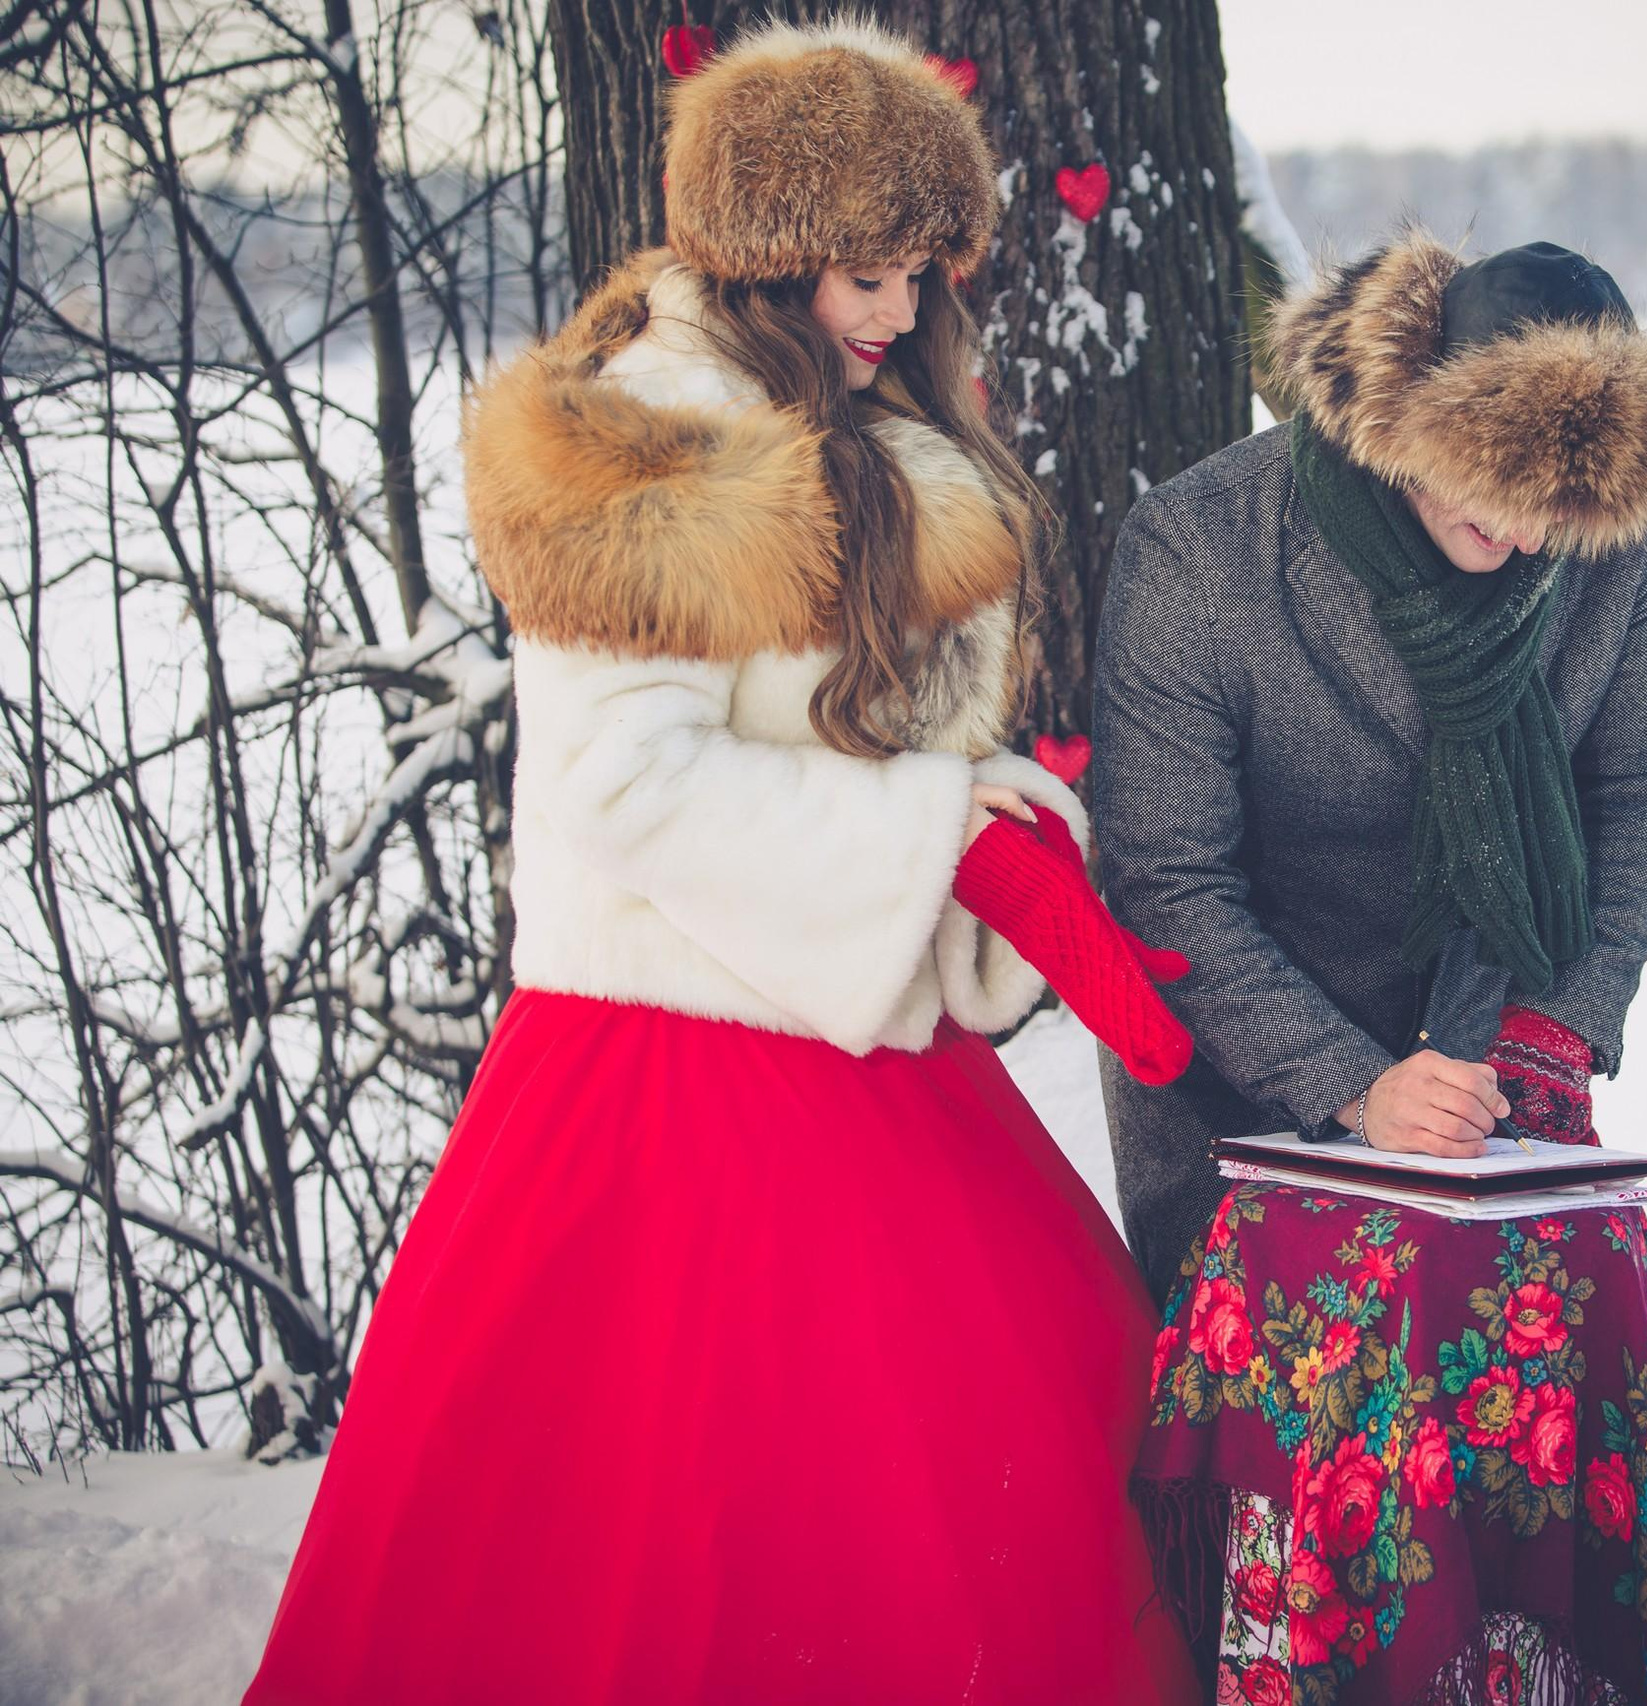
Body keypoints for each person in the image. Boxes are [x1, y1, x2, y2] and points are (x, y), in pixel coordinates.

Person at [247, 19, 1193, 1703]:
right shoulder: (659, 437)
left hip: (845, 1028)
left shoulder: (853, 420)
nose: (900, 314)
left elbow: (851, 745)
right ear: (764, 257)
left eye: (919, 270)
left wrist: (983, 828)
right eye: (863, 273)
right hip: (665, 1077)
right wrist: (924, 835)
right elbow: (622, 781)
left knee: (1012, 1411)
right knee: (689, 1527)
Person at [1094, 231, 1647, 1303]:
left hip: (1494, 1072)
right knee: (1280, 1445)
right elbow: (1165, 875)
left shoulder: (1605, 536)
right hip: (1249, 1081)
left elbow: (1643, 776)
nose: (1527, 535)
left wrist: (1555, 1028)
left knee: (1511, 1436)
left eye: (1559, 508)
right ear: (1411, 417)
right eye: (1499, 484)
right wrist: (1352, 1087)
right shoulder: (1202, 544)